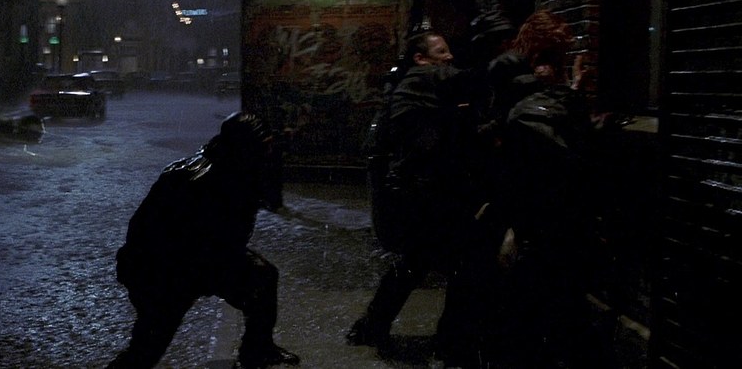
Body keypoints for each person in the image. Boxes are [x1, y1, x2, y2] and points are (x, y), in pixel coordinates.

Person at [472, 9, 615, 368]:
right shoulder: (535, 100)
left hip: (532, 223)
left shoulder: (524, 95)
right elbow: (562, 162)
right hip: (546, 224)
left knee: (530, 316)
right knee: (549, 313)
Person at [108, 112, 300, 369]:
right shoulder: (195, 178)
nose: (269, 151)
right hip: (166, 268)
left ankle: (258, 350)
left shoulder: (240, 166)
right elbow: (149, 233)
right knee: (147, 348)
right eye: (264, 146)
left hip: (206, 257)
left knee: (262, 279)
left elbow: (247, 218)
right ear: (245, 147)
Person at [346, 31, 480, 357]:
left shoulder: (418, 85)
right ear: (421, 59)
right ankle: (450, 341)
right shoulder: (421, 79)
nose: (449, 57)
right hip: (424, 192)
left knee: (415, 263)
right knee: (455, 263)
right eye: (441, 52)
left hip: (421, 191)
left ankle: (373, 325)